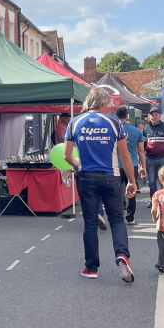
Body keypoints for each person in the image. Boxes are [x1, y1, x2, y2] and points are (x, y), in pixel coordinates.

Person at [64, 88, 137, 282]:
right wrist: (131, 180)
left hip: (86, 176)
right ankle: (122, 255)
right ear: (103, 104)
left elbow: (66, 156)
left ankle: (91, 267)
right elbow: (124, 155)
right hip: (111, 176)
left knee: (89, 223)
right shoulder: (114, 122)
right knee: (116, 219)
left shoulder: (74, 122)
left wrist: (78, 165)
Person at [114, 106, 147, 224]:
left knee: (116, 191)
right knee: (132, 189)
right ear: (127, 116)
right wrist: (143, 166)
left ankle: (117, 216)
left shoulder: (113, 130)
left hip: (115, 164)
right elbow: (141, 151)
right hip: (132, 164)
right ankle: (130, 217)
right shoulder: (137, 131)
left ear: (115, 116)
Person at [144, 108, 164, 198]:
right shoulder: (146, 127)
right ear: (150, 117)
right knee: (152, 181)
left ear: (160, 116)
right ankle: (153, 200)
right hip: (150, 158)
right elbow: (143, 143)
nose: (154, 117)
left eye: (156, 115)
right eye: (152, 115)